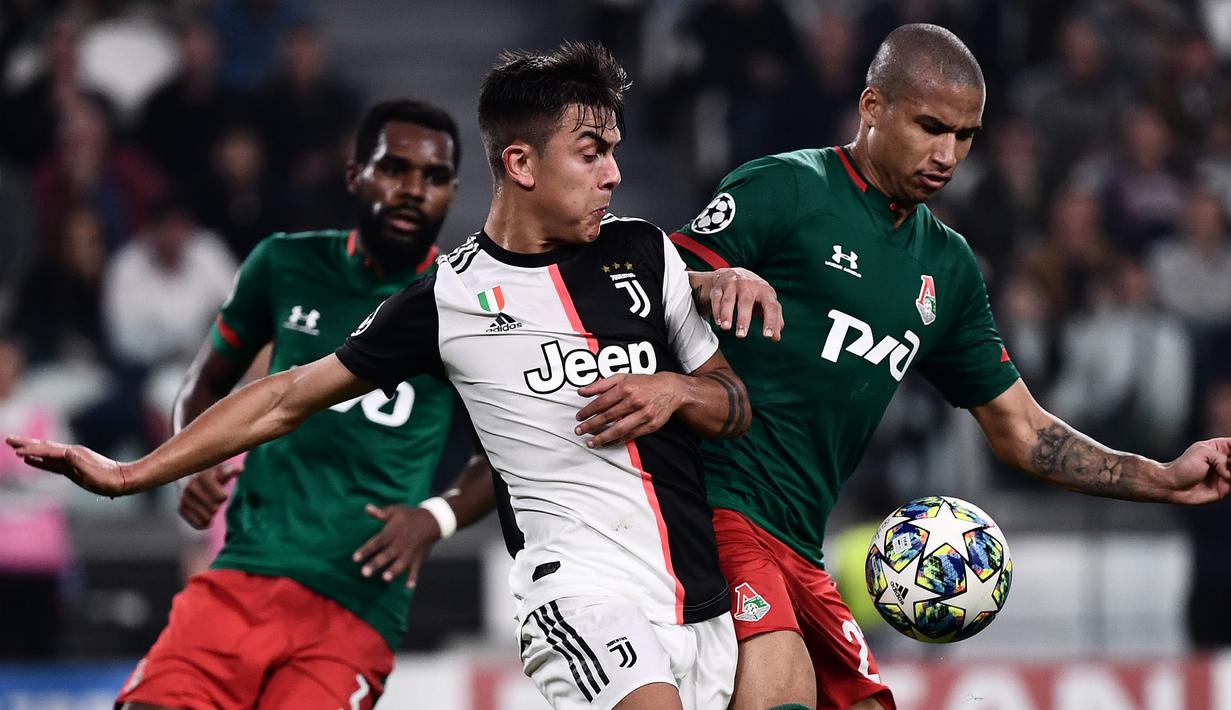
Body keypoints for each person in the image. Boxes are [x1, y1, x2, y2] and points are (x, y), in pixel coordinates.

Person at [9, 42, 780, 710]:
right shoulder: (447, 299)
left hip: (697, 598)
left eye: (614, 151)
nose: (613, 174)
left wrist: (678, 389)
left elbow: (732, 403)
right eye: (591, 153)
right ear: (519, 163)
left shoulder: (644, 254)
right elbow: (284, 396)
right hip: (577, 592)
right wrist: (130, 474)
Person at [670, 23, 1231, 710]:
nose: (947, 155)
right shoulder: (787, 187)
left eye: (965, 136)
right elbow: (643, 286)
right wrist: (711, 281)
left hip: (796, 538)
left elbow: (1023, 432)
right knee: (779, 690)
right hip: (713, 504)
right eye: (930, 127)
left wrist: (1163, 479)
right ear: (872, 107)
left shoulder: (948, 268)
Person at [113, 98, 494, 709]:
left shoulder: (470, 306)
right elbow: (203, 382)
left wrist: (435, 518)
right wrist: (193, 460)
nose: (413, 190)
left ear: (451, 192)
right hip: (242, 573)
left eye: (434, 177)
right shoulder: (284, 263)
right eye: (394, 169)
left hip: (356, 603)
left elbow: (506, 459)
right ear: (354, 174)